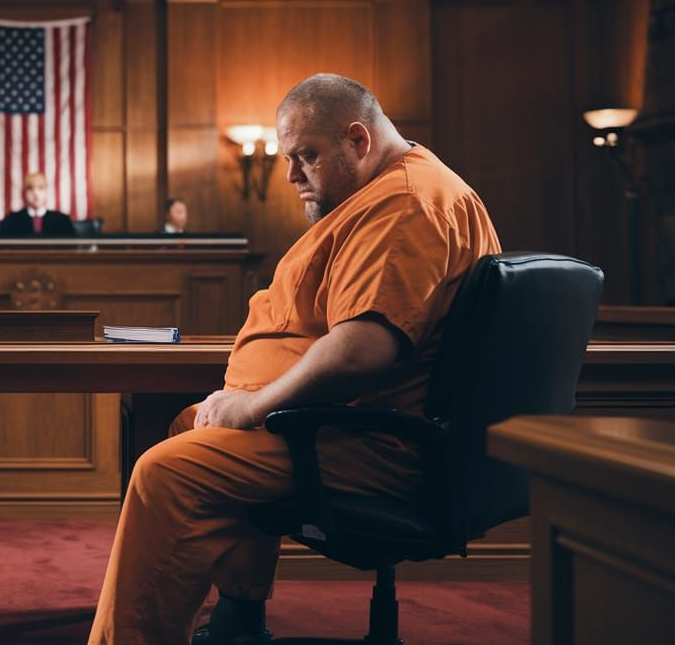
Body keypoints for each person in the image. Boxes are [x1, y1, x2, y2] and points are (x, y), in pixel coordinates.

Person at [88, 73, 501, 645]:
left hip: (373, 442)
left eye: (307, 156)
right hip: (340, 425)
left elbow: (364, 349)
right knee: (190, 425)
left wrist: (253, 406)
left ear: (358, 139)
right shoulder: (385, 192)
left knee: (168, 472)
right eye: (288, 158)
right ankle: (239, 617)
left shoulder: (405, 202)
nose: (290, 176)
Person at [0, 171, 75, 236]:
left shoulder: (62, 220)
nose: (35, 193)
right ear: (24, 193)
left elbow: (72, 248)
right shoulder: (11, 220)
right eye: (30, 189)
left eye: (40, 188)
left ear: (46, 192)